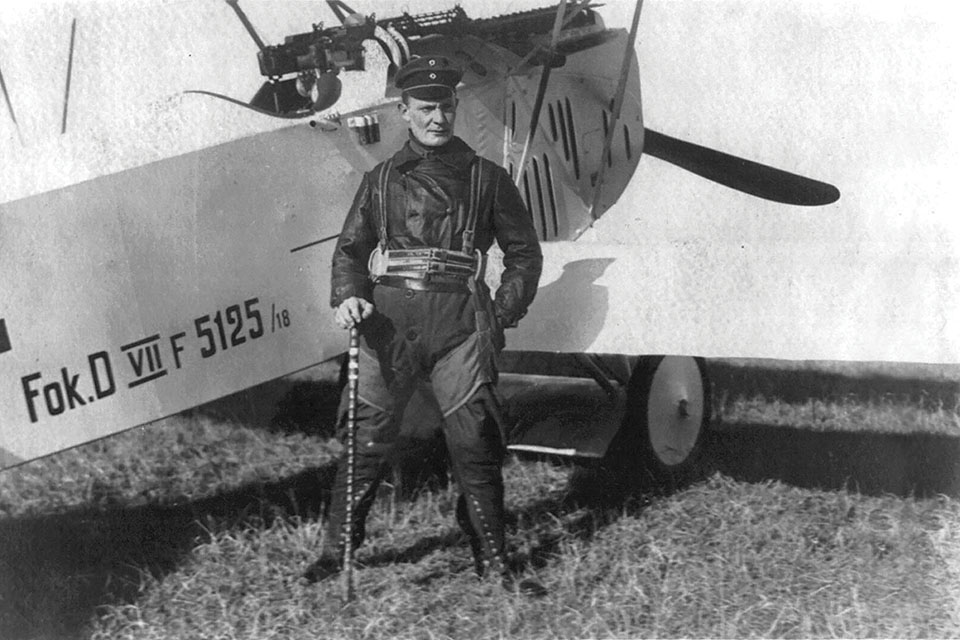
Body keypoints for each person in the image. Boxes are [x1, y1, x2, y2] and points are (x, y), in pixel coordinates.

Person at [303, 55, 545, 596]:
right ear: (404, 111)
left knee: (476, 441)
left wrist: (499, 316)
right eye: (425, 108)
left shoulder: (488, 178)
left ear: (456, 108)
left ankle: (495, 561)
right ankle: (335, 551)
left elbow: (525, 256)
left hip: (460, 325)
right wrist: (348, 299)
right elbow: (350, 253)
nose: (438, 118)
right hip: (389, 326)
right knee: (365, 441)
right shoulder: (381, 179)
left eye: (446, 106)